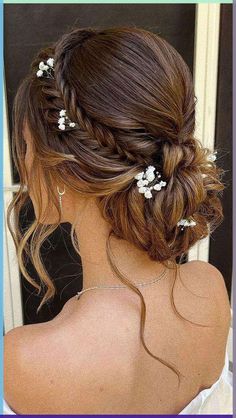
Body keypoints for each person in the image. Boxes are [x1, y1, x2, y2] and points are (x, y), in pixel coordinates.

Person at [4, 26, 232, 415]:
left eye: (25, 146)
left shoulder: (25, 360)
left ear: (66, 169)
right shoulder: (208, 289)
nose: (21, 162)